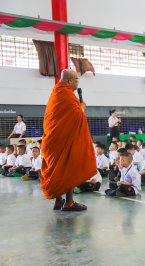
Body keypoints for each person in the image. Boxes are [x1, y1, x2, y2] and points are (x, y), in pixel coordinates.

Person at [40, 69, 97, 211]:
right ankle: (69, 202)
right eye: (77, 79)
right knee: (69, 166)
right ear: (70, 81)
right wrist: (82, 107)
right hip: (62, 139)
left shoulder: (56, 92)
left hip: (53, 140)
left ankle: (59, 200)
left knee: (58, 169)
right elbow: (75, 115)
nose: (78, 82)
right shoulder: (66, 94)